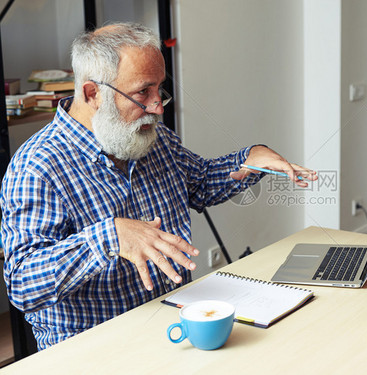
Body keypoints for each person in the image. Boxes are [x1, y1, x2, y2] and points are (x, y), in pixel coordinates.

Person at [0, 22, 316, 351]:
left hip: (175, 330)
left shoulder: (152, 138)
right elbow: (23, 285)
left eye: (159, 89)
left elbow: (202, 182)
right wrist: (109, 237)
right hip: (95, 352)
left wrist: (250, 159)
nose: (157, 107)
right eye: (142, 92)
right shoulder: (37, 166)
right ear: (93, 94)